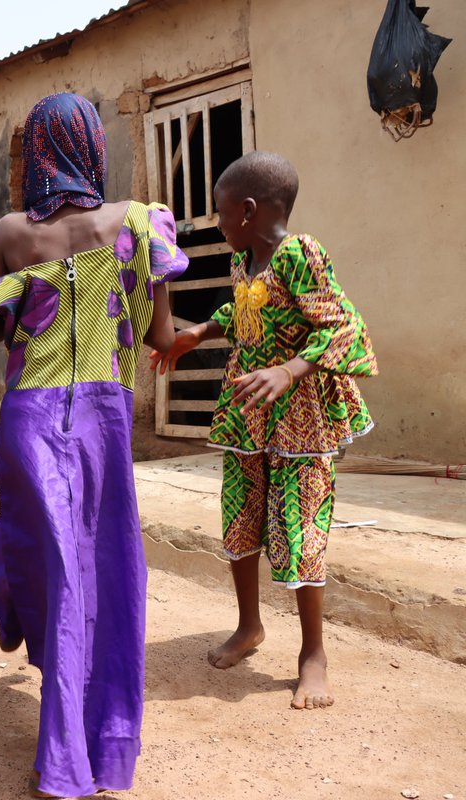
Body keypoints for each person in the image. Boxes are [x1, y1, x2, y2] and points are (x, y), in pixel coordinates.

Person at [0, 93, 187, 799]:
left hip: (29, 418)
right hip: (104, 420)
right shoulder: (139, 223)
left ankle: (23, 628)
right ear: (94, 148)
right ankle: (95, 751)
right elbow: (162, 338)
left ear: (37, 156)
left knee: (44, 561)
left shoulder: (11, 233)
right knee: (103, 569)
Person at [150, 150, 377, 710]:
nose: (218, 223)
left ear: (248, 211)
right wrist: (199, 332)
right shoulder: (244, 261)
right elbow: (242, 312)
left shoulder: (301, 254)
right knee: (241, 515)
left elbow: (344, 326)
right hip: (247, 413)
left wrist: (290, 369)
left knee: (300, 527)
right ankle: (249, 625)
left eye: (222, 213)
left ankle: (313, 654)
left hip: (300, 420)